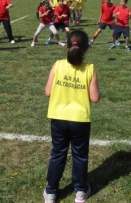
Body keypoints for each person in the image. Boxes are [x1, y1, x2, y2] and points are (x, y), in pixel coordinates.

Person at [43, 30, 101, 203]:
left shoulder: (58, 65)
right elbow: (95, 98)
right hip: (80, 120)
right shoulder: (90, 69)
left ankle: (51, 192)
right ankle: (81, 191)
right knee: (80, 155)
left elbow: (47, 92)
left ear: (67, 46)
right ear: (87, 49)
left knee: (58, 154)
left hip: (59, 118)